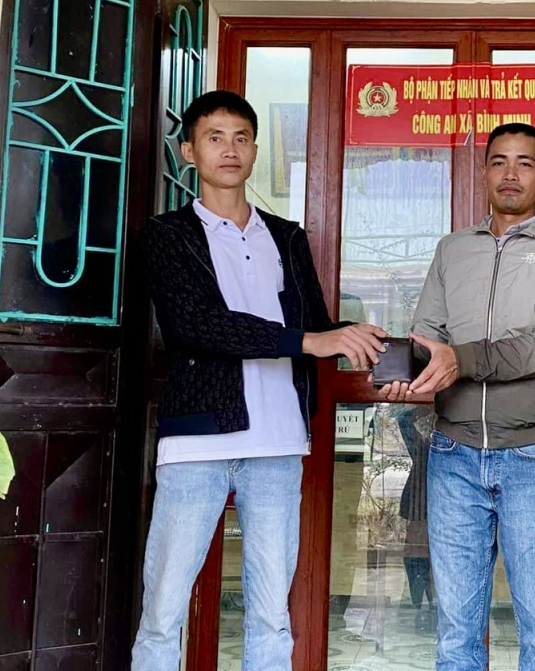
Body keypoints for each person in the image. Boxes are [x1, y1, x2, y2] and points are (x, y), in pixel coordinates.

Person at [132, 90, 387, 671]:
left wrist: (372, 342)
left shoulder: (286, 236)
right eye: (215, 137)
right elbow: (195, 325)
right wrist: (311, 341)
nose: (230, 149)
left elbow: (313, 327)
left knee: (272, 614)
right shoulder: (167, 235)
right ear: (189, 151)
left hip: (278, 441)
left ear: (253, 150)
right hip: (197, 440)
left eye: (242, 138)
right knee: (163, 610)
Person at [382, 122, 535, 671]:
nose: (510, 173)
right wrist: (404, 369)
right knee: (456, 633)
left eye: (525, 163)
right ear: (483, 172)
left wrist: (463, 359)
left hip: (533, 457)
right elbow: (427, 333)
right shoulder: (453, 249)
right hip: (452, 456)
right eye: (499, 161)